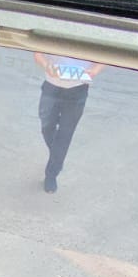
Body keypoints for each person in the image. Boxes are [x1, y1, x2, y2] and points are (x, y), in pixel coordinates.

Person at [33, 51, 106, 193]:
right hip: (51, 86)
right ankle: (58, 157)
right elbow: (38, 52)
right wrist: (46, 65)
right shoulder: (56, 29)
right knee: (46, 127)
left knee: (65, 134)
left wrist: (95, 70)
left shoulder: (95, 33)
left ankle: (51, 174)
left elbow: (108, 55)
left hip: (77, 89)